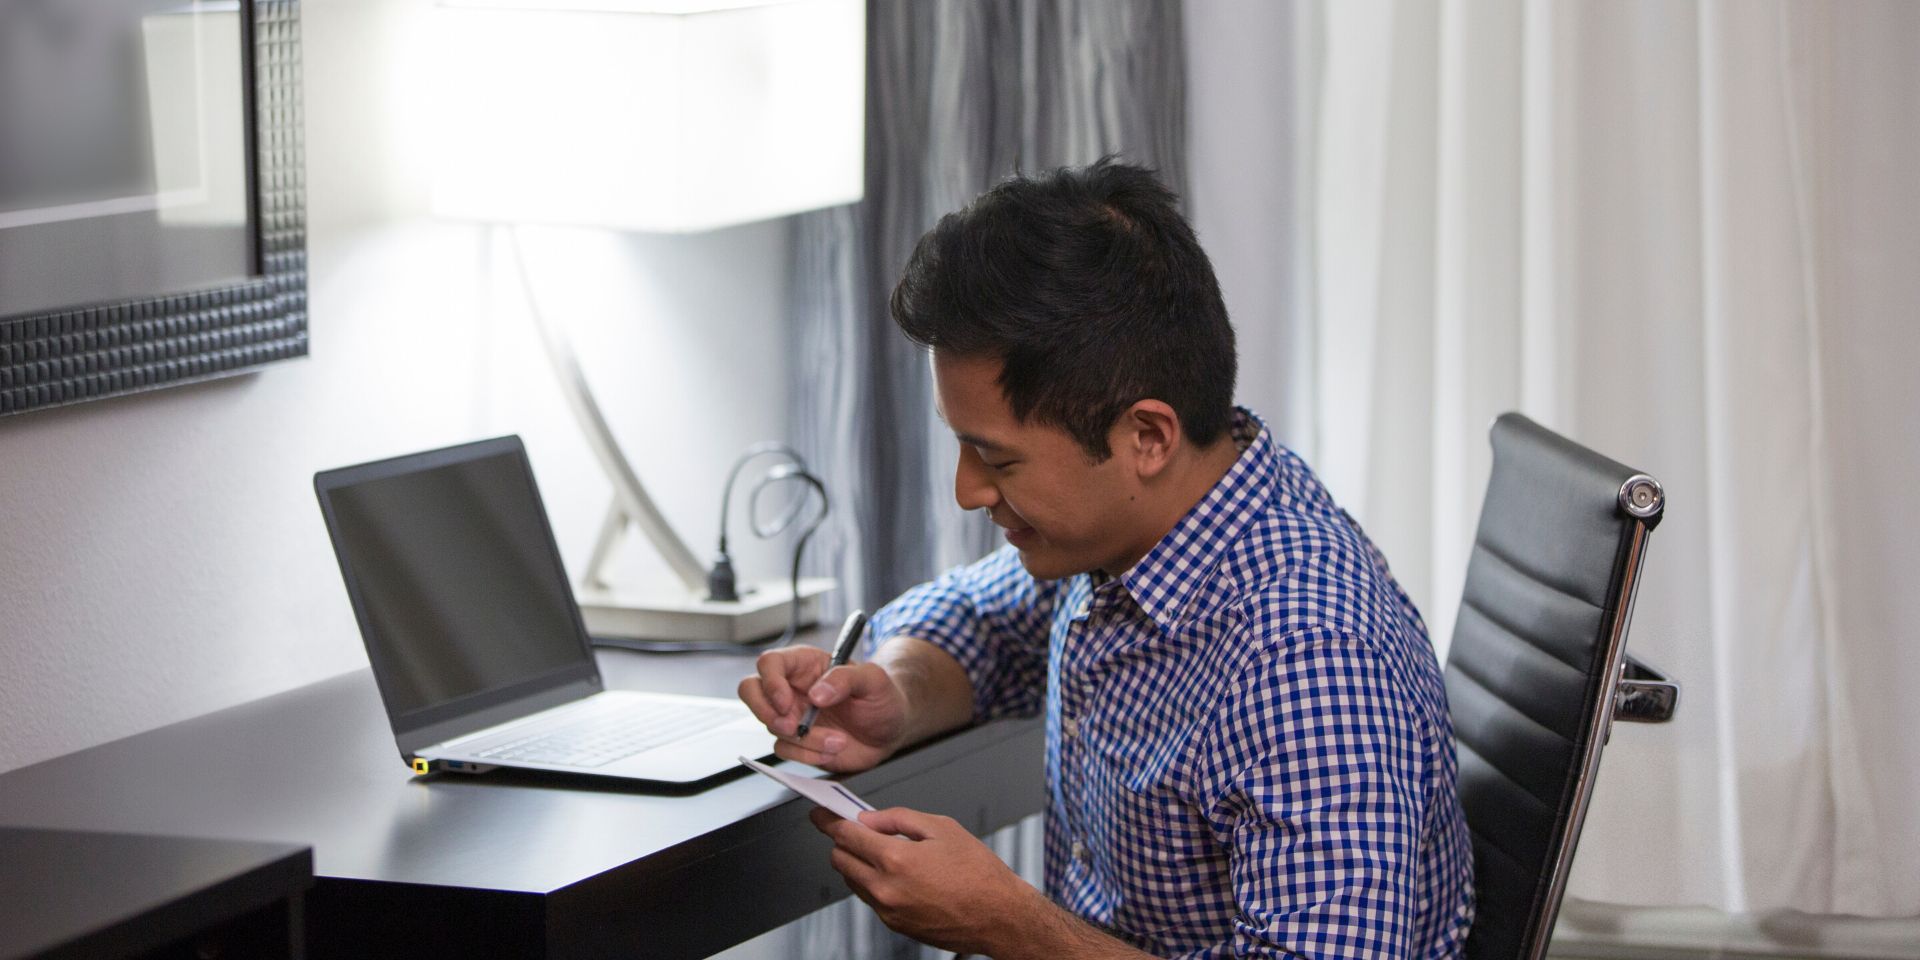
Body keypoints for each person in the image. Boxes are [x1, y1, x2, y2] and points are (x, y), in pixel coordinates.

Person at [738, 158, 1474, 959]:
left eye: (998, 459)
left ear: (1147, 438)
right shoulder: (1142, 531)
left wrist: (1011, 925)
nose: (966, 492)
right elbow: (979, 619)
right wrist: (896, 694)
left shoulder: (1309, 657)